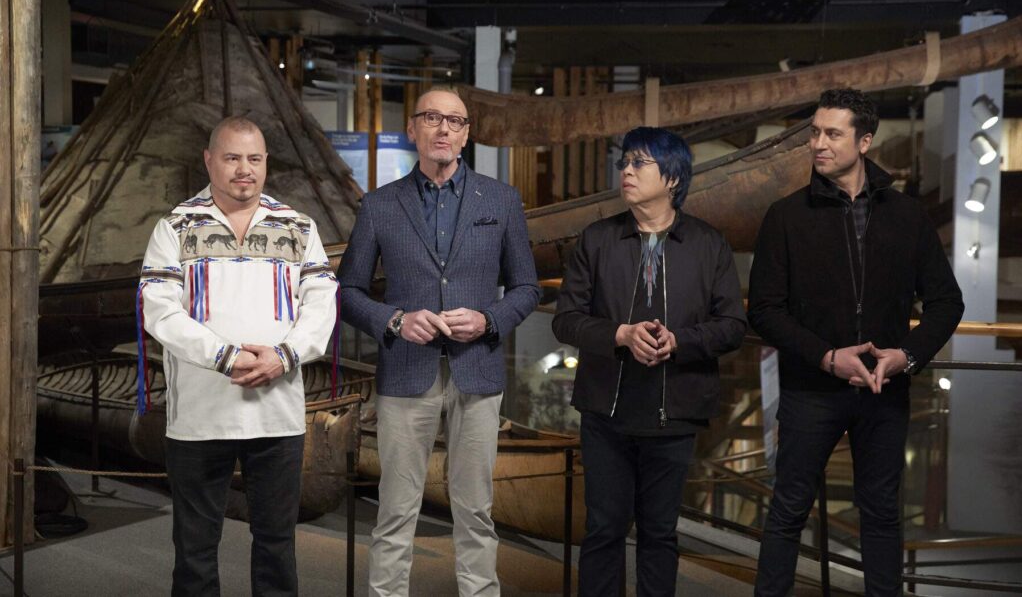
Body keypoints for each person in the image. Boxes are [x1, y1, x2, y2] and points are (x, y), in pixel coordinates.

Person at [748, 88, 964, 596]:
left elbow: (946, 303)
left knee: (882, 516)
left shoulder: (907, 216)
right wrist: (827, 357)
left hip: (882, 392)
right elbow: (764, 310)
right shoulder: (785, 216)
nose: (817, 143)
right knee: (787, 512)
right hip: (809, 391)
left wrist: (906, 357)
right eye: (815, 132)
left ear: (864, 141)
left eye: (831, 133)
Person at [338, 87, 540, 596]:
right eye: (432, 118)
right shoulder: (381, 205)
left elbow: (526, 288)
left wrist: (489, 320)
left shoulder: (501, 199)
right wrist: (394, 321)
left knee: (475, 509)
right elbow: (348, 292)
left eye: (454, 120)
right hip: (407, 371)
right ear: (413, 129)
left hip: (478, 369)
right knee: (396, 508)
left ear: (467, 133)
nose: (443, 128)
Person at [138, 116, 338, 596]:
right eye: (231, 158)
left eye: (254, 158)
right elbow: (159, 309)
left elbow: (323, 302)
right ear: (209, 161)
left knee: (276, 545)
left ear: (266, 163)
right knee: (195, 550)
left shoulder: (297, 227)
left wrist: (284, 356)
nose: (243, 169)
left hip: (277, 415)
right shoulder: (175, 227)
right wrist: (226, 357)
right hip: (200, 416)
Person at [552, 126, 747, 596]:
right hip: (607, 413)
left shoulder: (707, 243)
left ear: (673, 177)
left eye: (639, 163)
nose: (627, 172)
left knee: (660, 535)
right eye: (625, 163)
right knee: (602, 532)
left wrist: (680, 341)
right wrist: (619, 334)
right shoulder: (597, 239)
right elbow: (566, 320)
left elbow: (733, 325)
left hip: (674, 414)